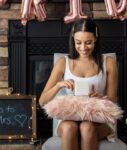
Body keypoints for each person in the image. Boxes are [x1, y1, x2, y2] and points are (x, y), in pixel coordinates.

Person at [39, 18, 117, 150]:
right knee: (70, 128)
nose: (83, 48)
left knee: (86, 127)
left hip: (97, 120)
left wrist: (99, 98)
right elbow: (42, 101)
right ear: (73, 40)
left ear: (96, 39)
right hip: (70, 119)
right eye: (78, 42)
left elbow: (113, 102)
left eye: (88, 43)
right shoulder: (63, 63)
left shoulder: (108, 62)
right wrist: (59, 85)